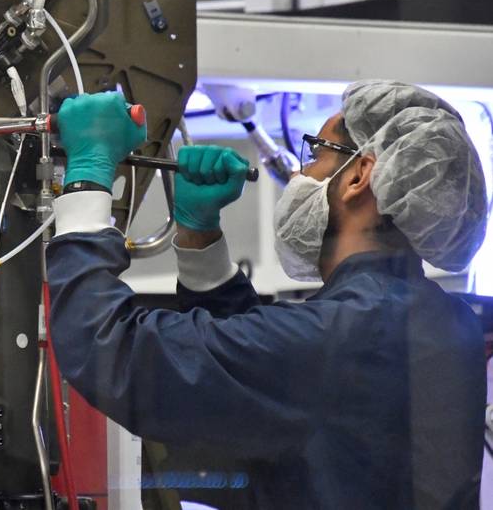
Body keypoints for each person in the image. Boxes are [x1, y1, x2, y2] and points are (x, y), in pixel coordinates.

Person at [47, 81, 489, 509]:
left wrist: (87, 178)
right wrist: (200, 237)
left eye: (316, 154)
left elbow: (108, 347)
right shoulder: (444, 324)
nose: (301, 173)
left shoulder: (341, 339)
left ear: (358, 176)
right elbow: (273, 379)